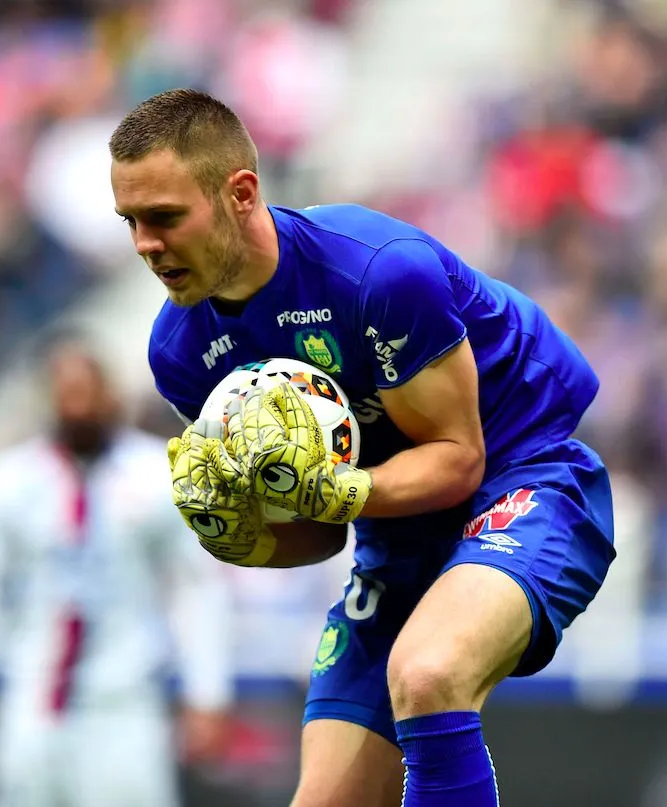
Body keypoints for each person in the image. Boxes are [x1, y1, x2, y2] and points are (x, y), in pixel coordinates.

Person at [110, 89, 615, 807]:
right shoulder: (181, 351)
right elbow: (318, 534)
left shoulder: (378, 271)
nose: (144, 244)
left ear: (241, 194)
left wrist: (337, 491)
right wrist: (244, 537)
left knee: (429, 673)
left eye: (164, 217)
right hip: (395, 538)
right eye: (130, 221)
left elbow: (458, 458)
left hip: (524, 479)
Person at [0, 337, 234, 807]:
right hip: (32, 701)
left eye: (87, 390)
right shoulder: (9, 482)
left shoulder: (158, 474)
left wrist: (207, 690)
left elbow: (194, 589)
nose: (78, 405)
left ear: (110, 393)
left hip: (125, 705)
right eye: (66, 392)